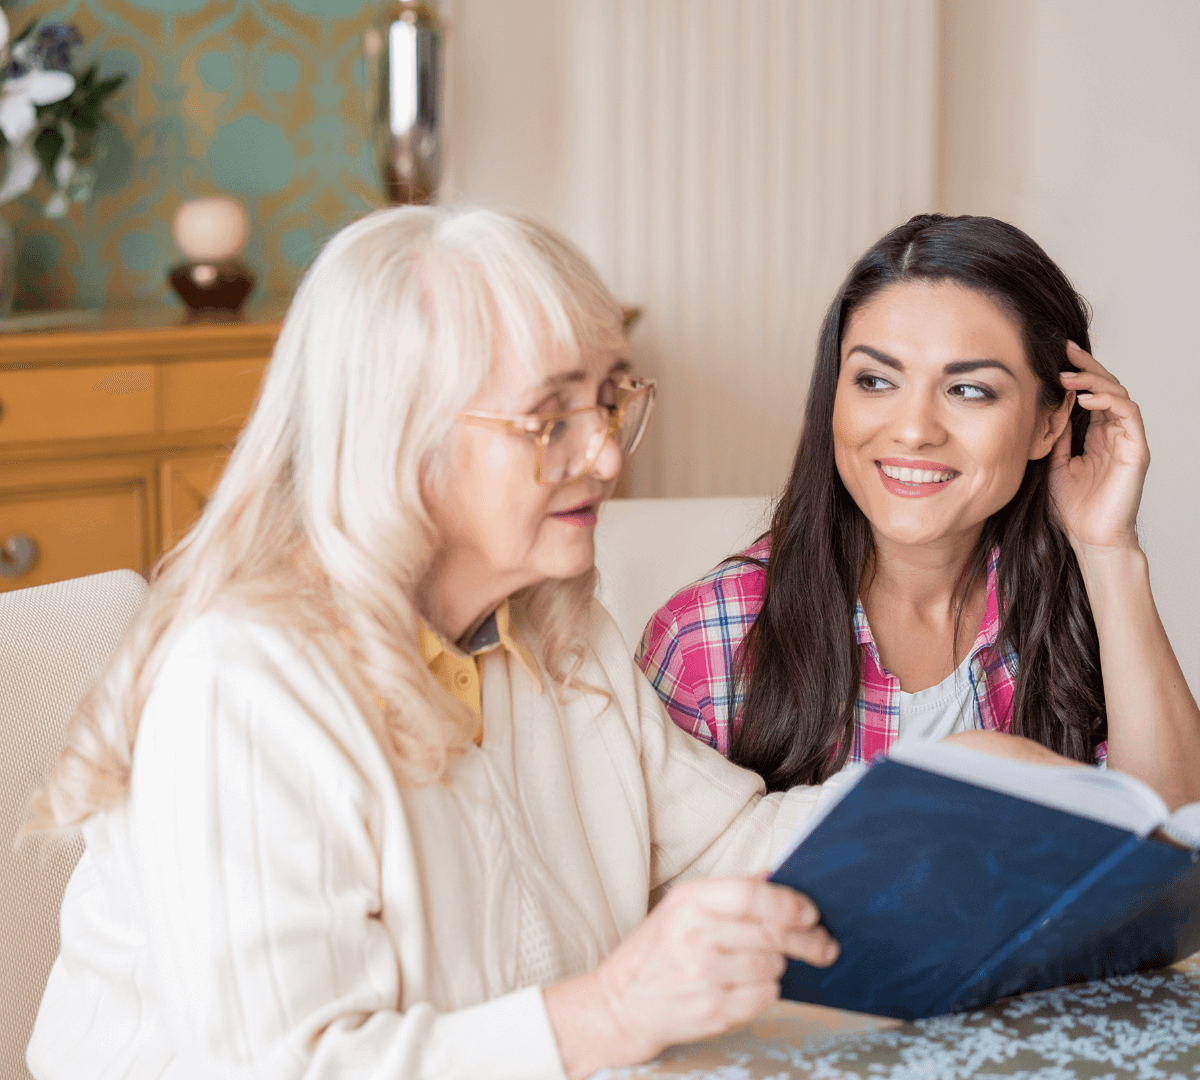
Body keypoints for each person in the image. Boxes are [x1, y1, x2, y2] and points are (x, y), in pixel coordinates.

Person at [23, 206, 848, 1080]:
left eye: (610, 399)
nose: (606, 455)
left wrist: (957, 788)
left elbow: (726, 846)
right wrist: (610, 1013)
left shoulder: (552, 628)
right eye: (548, 418)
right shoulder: (245, 684)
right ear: (401, 437)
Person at [637, 214, 1200, 810]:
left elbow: (1171, 847)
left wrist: (1108, 549)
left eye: (967, 390)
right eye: (876, 381)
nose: (912, 431)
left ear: (1050, 422)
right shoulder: (709, 636)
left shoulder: (1080, 614)